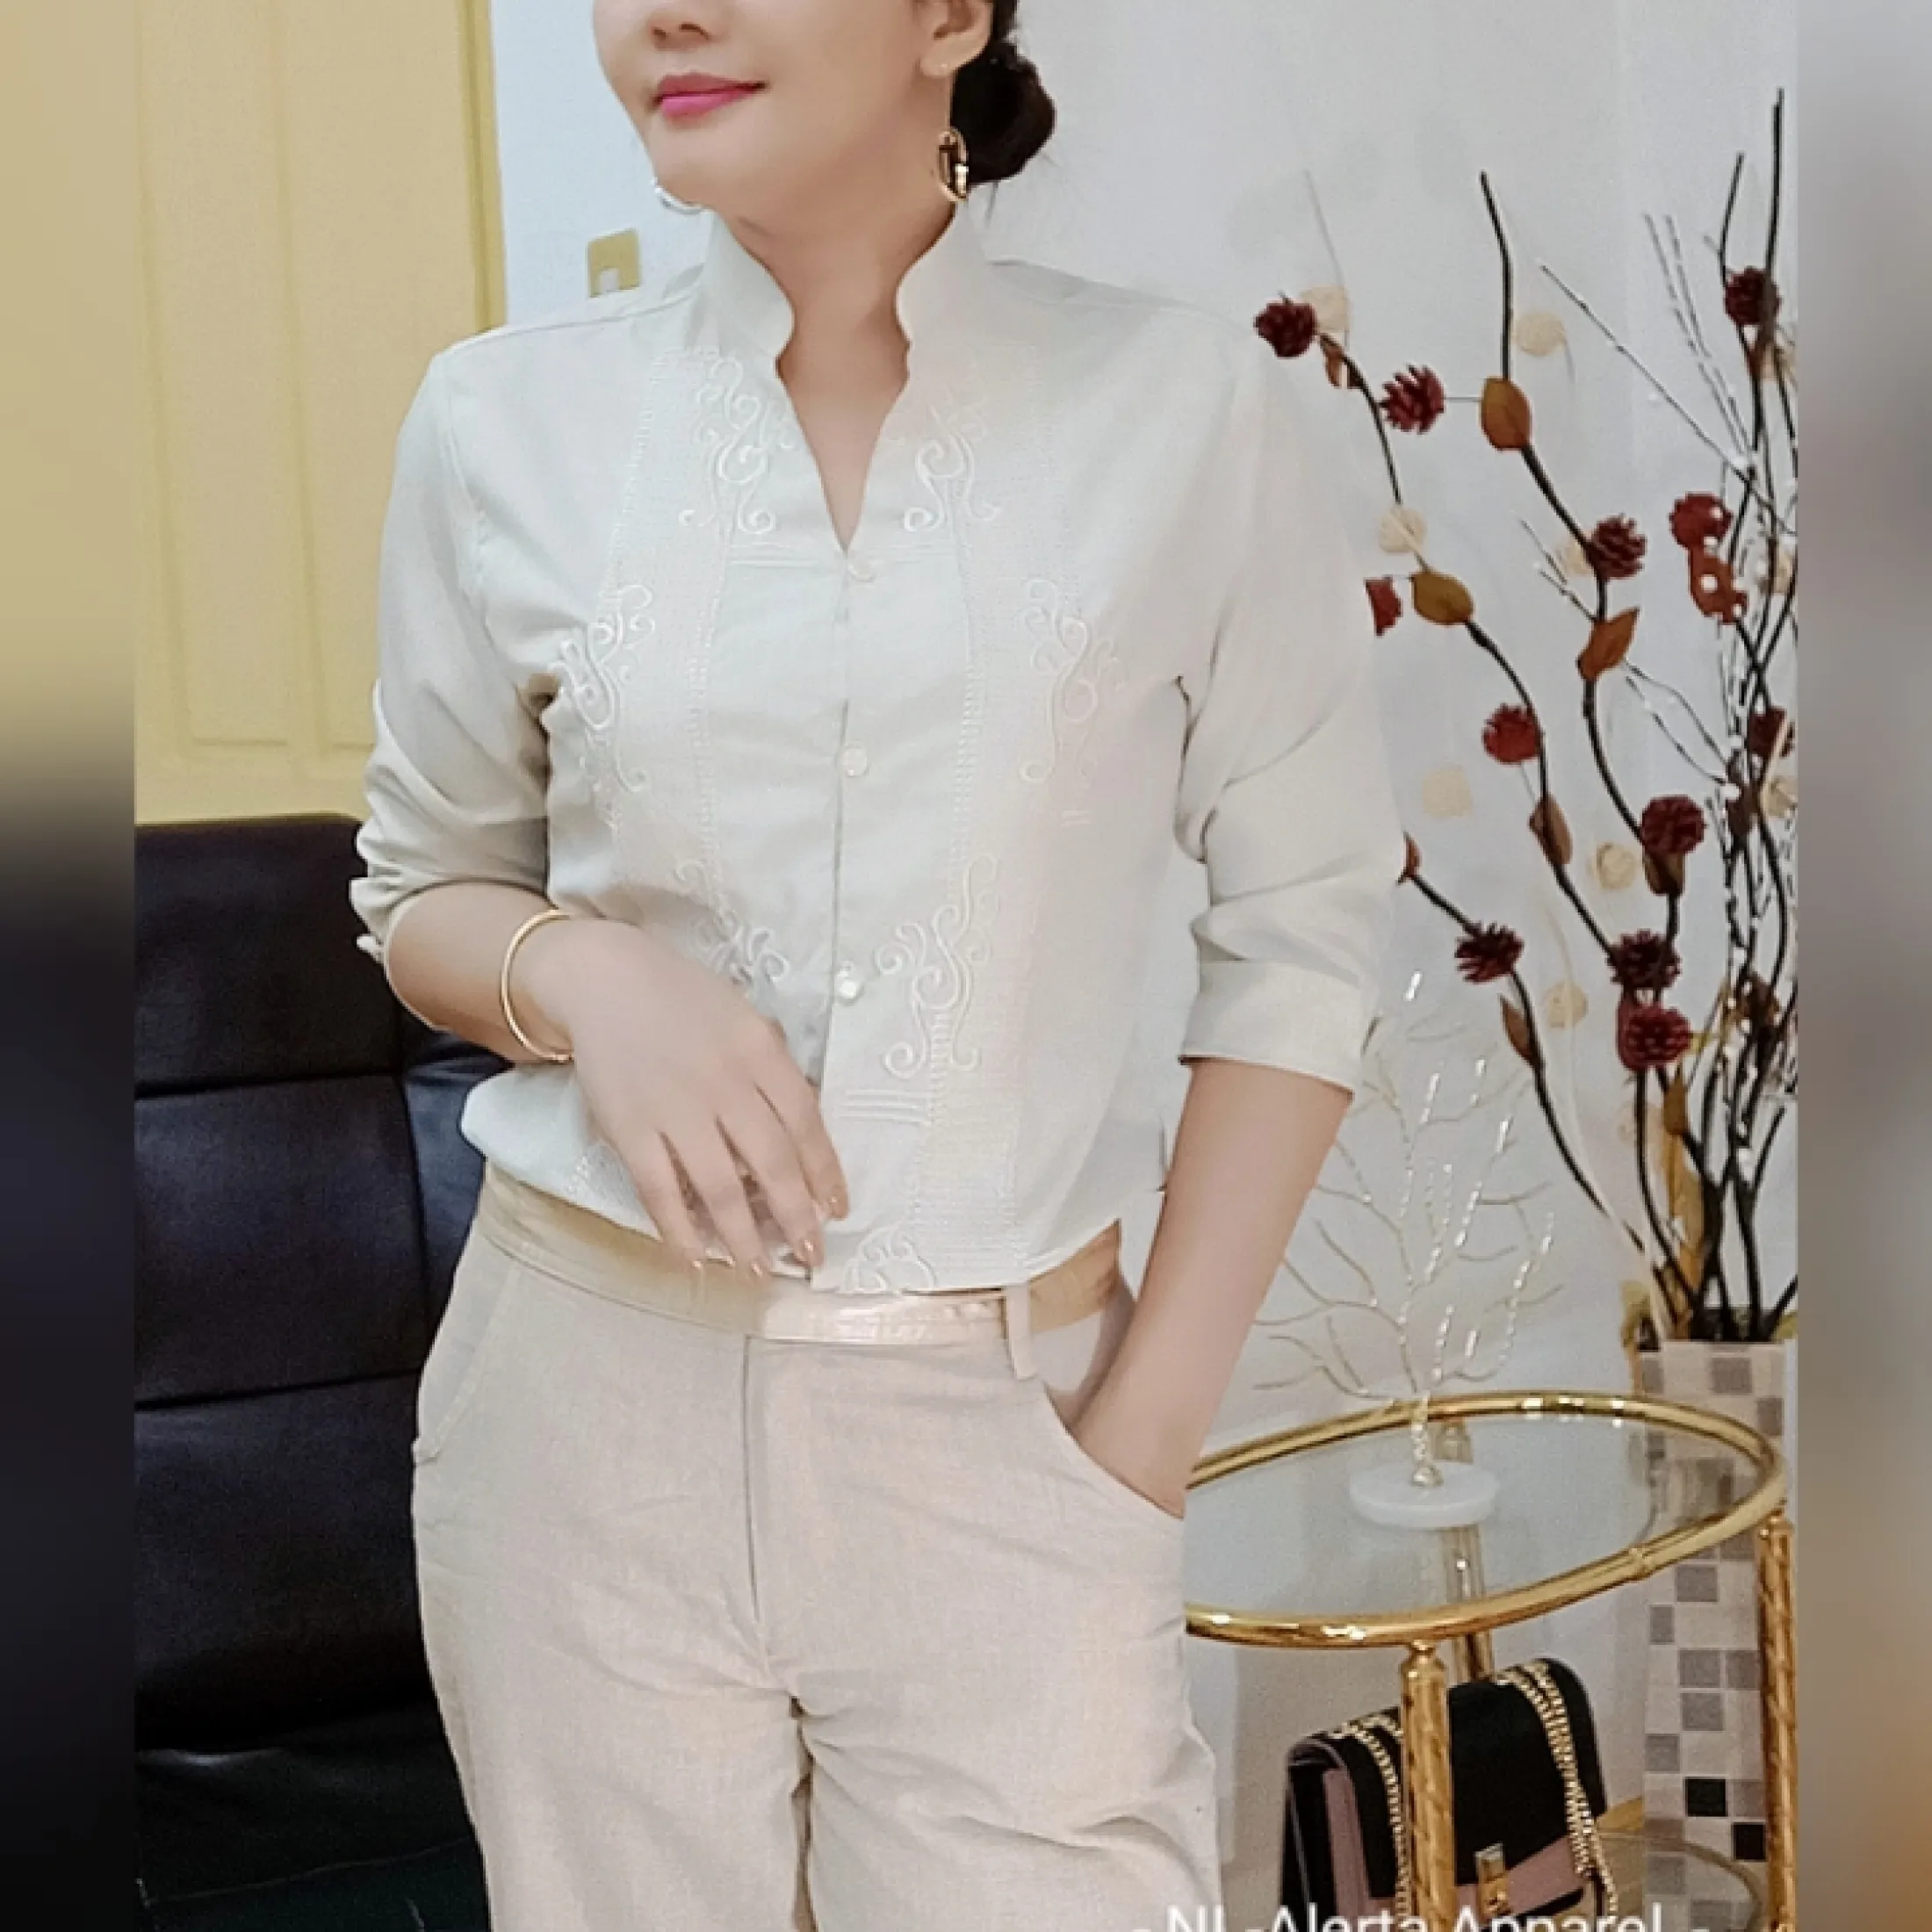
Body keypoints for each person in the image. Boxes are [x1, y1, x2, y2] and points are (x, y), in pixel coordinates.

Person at [350, 1, 1407, 1926]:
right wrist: (588, 978)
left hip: (1013, 1431)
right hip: (579, 1427)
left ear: (948, 17)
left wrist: (1142, 1435)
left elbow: (1304, 925)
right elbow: (424, 887)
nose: (661, 12)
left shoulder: (1184, 415)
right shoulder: (502, 423)